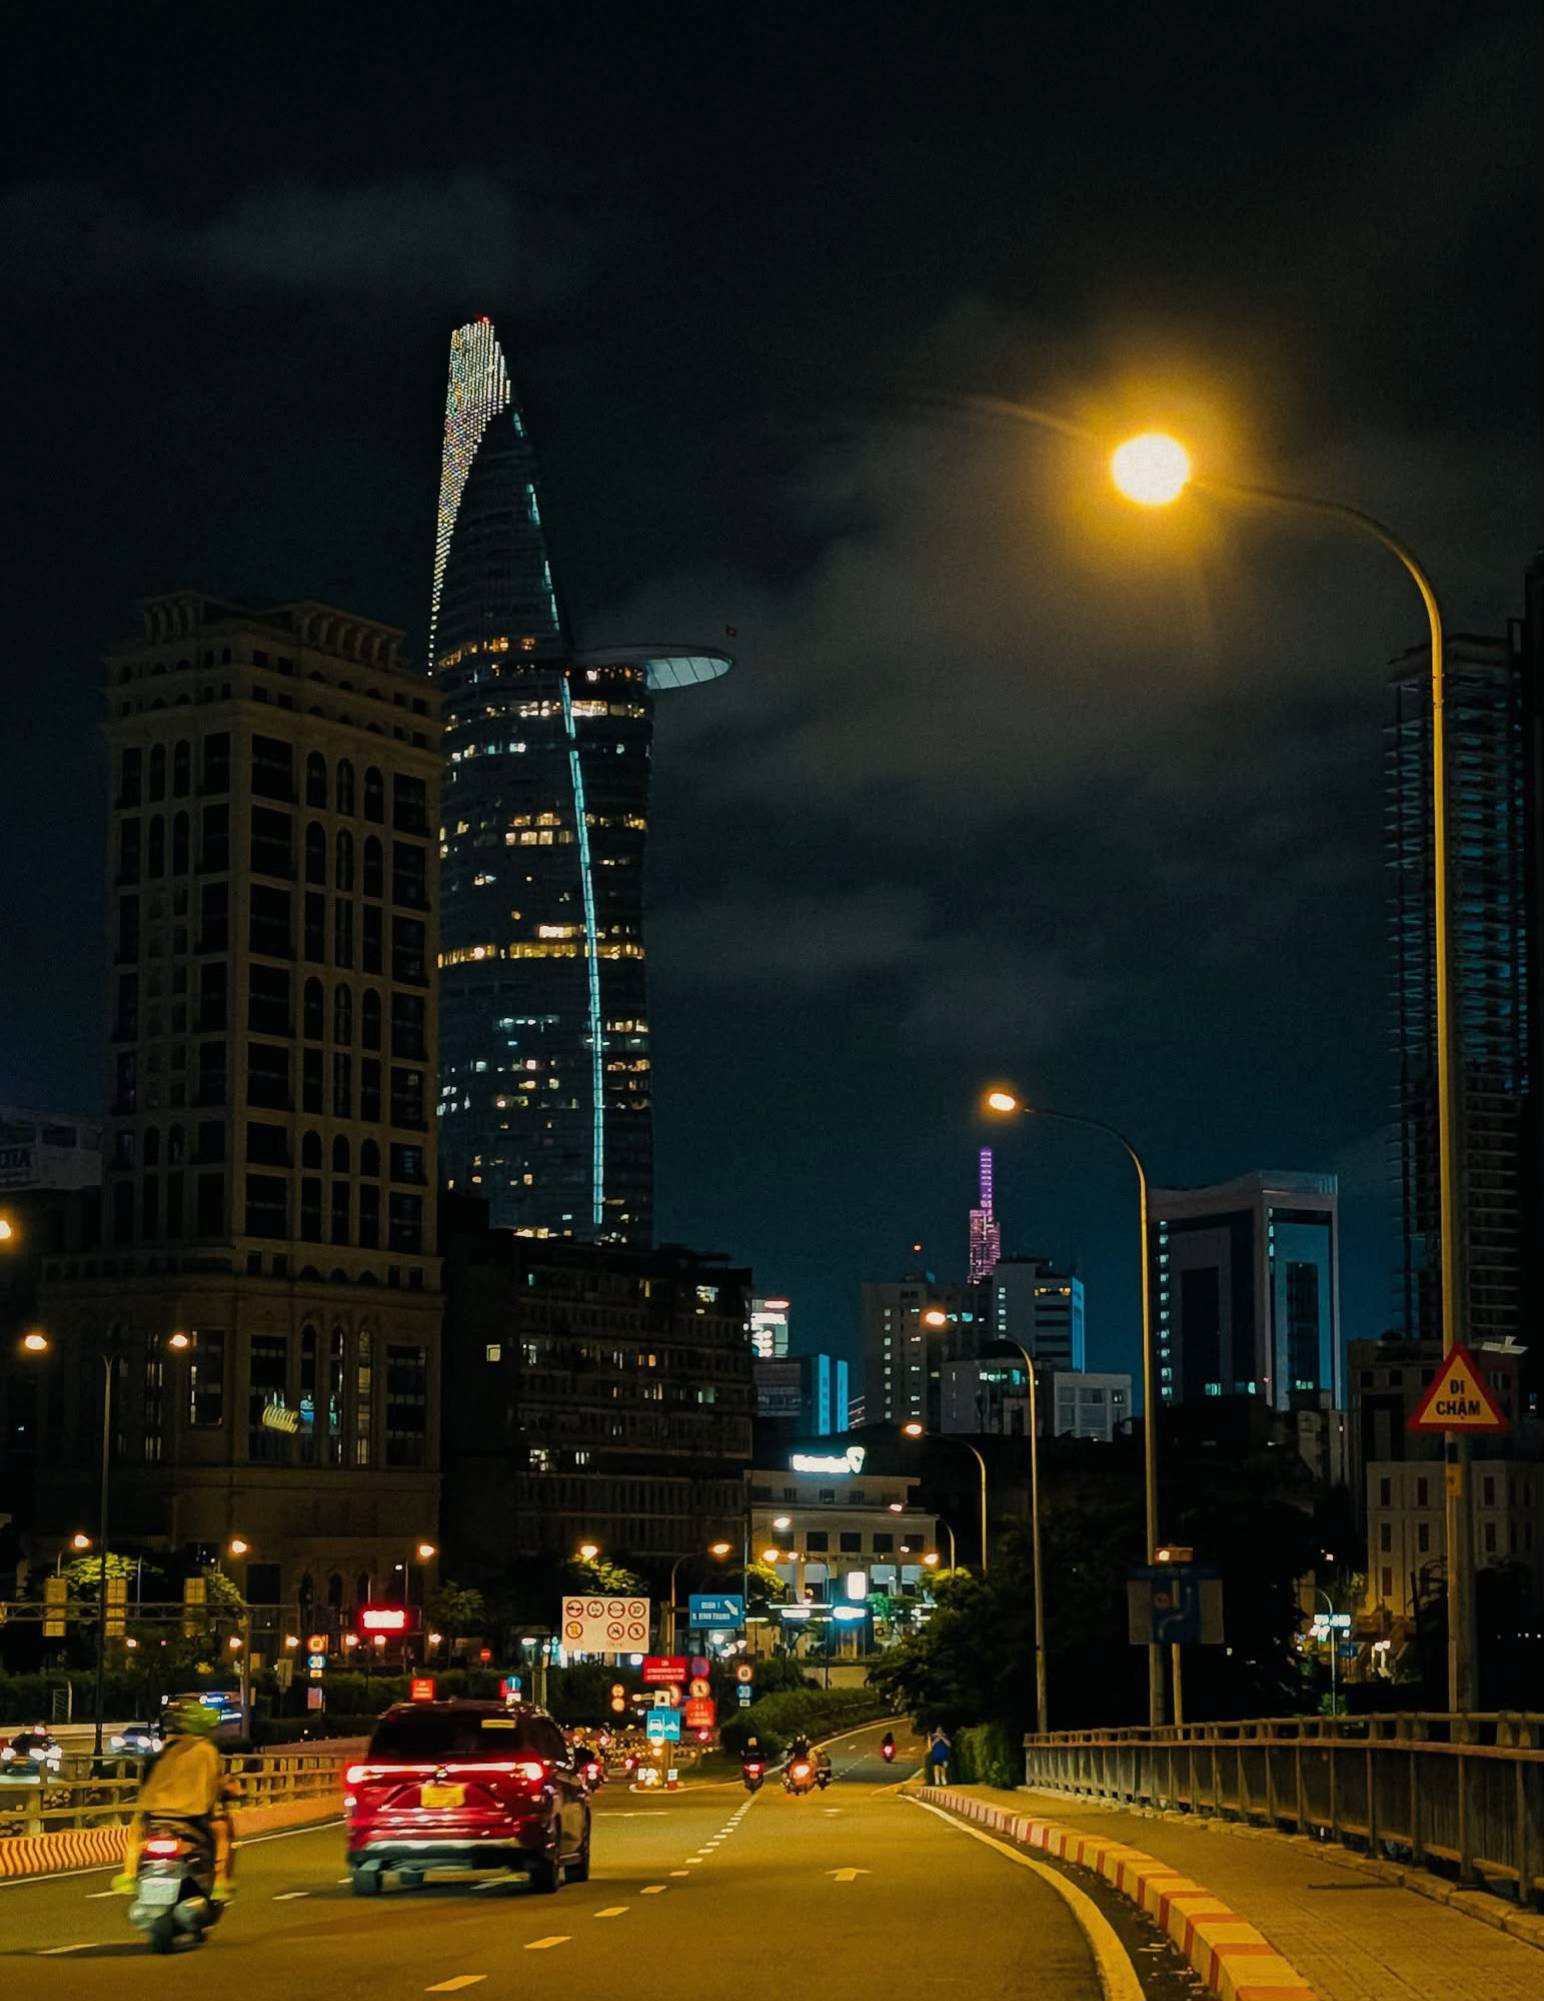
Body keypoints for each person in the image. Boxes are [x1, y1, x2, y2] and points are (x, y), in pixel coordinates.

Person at [113, 1700, 237, 1901]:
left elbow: (146, 1781)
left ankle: (129, 1873)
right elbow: (213, 1785)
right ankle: (220, 1881)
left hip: (154, 1814)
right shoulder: (206, 1750)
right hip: (192, 1815)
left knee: (136, 1828)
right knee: (221, 1830)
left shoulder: (164, 1750)